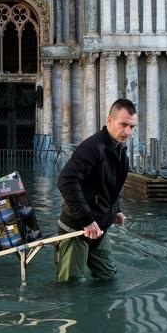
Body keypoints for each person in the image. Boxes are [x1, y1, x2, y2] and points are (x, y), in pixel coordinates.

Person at [55, 98, 138, 282]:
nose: (127, 132)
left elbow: (110, 186)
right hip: (76, 229)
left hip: (99, 228)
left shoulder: (120, 151)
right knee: (70, 287)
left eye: (132, 127)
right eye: (123, 125)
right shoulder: (91, 147)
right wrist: (87, 221)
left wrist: (116, 210)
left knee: (108, 278)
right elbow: (66, 181)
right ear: (109, 120)